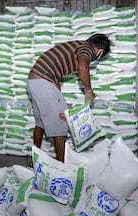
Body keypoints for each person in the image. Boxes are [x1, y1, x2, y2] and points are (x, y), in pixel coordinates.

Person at [26, 33, 110, 162]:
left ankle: (34, 159)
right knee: (60, 124)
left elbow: (55, 76)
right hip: (43, 81)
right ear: (99, 51)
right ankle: (61, 166)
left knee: (40, 123)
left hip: (34, 81)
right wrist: (89, 90)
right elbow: (82, 67)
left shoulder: (77, 46)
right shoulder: (86, 48)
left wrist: (60, 102)